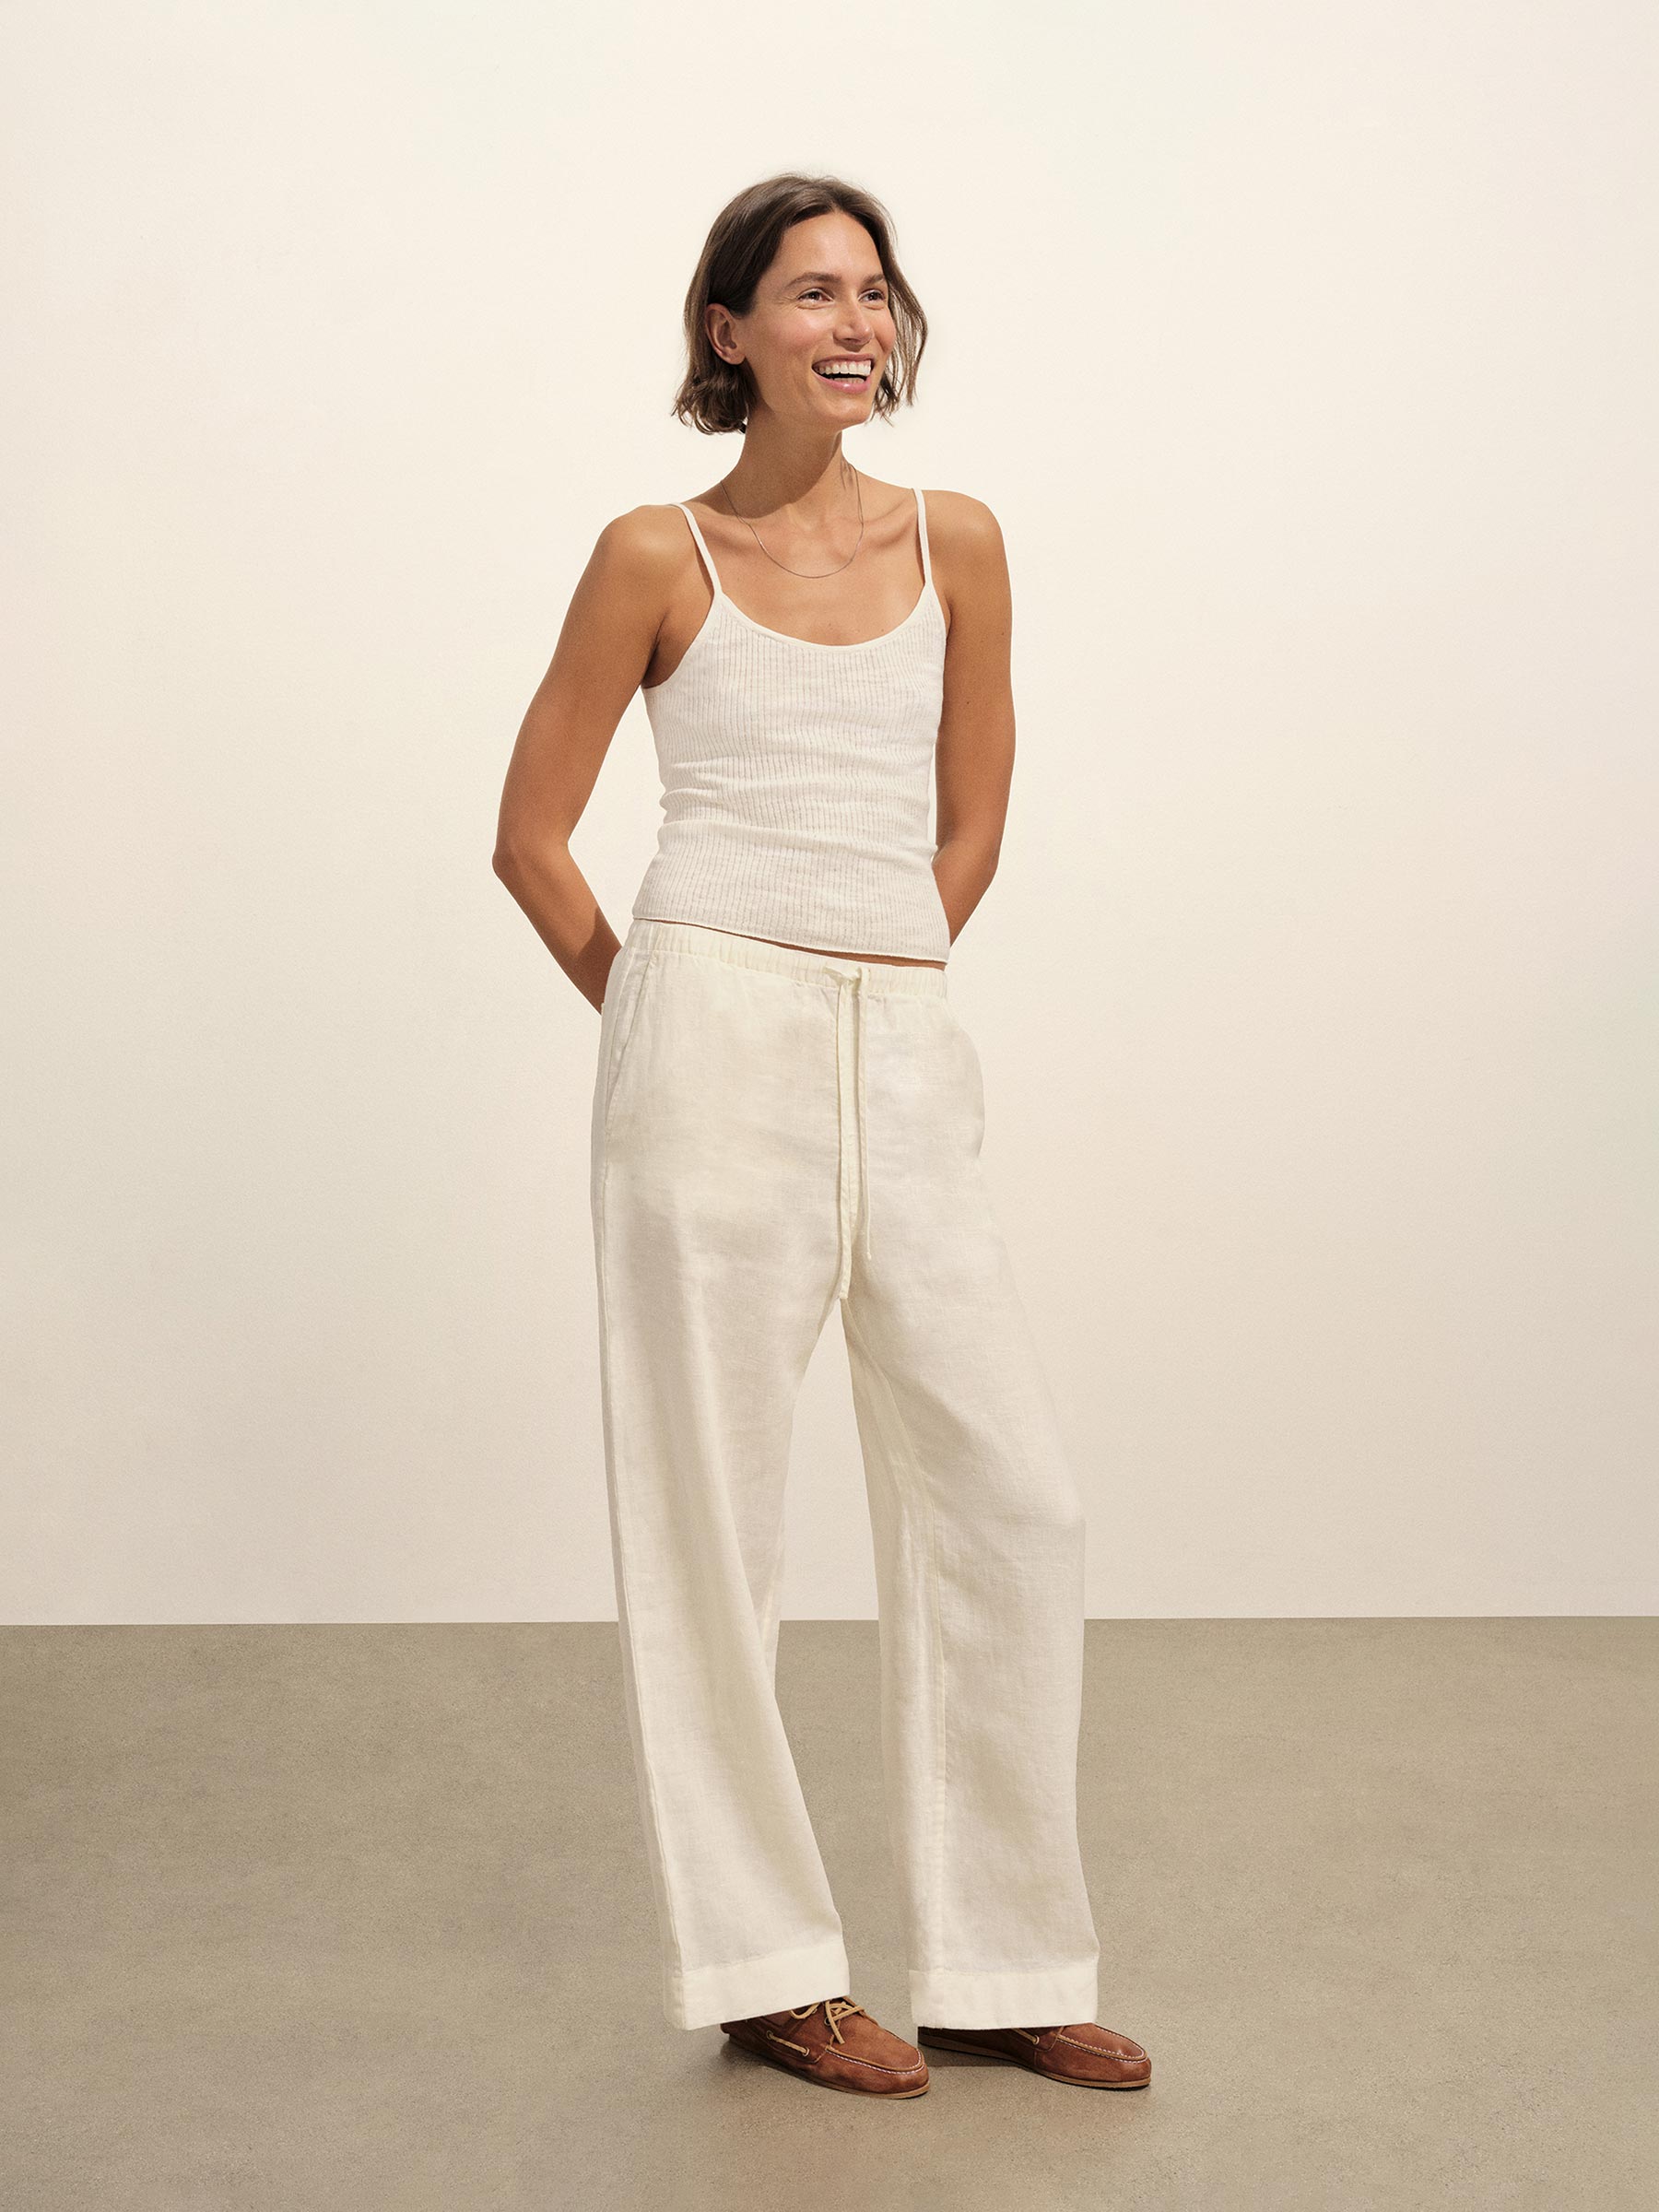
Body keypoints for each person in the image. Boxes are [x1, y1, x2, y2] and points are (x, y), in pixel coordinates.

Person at [493, 172, 1150, 2100]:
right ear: (731, 333)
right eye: (809, 294)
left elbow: (973, 820)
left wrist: (891, 977)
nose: (856, 324)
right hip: (707, 1030)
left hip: (903, 1034)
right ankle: (769, 1966)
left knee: (1012, 1497)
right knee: (712, 1516)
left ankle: (1003, 1963)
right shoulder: (655, 553)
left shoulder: (962, 542)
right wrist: (664, 1019)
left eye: (875, 292)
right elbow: (530, 840)